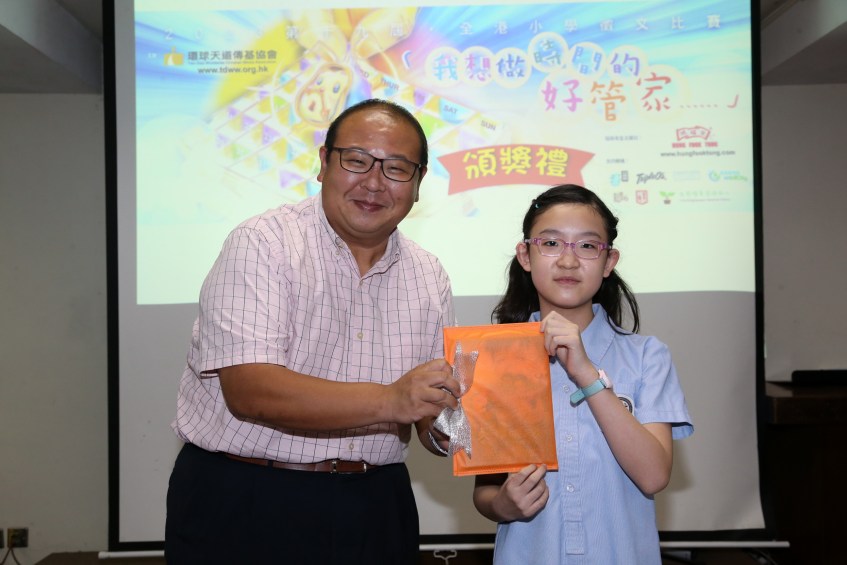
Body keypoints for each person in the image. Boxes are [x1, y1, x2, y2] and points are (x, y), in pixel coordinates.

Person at [165, 98, 460, 564]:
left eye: (397, 168)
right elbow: (251, 391)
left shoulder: (430, 275)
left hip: (377, 503)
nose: (374, 183)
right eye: (356, 160)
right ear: (323, 163)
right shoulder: (263, 242)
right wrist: (392, 400)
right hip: (247, 498)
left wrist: (453, 428)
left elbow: (427, 412)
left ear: (419, 183)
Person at [472, 184, 693, 564]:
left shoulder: (647, 357)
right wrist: (502, 505)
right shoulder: (497, 359)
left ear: (609, 261)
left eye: (588, 246)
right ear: (525, 255)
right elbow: (485, 491)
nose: (568, 261)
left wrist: (587, 374)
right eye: (551, 243)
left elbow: (654, 476)